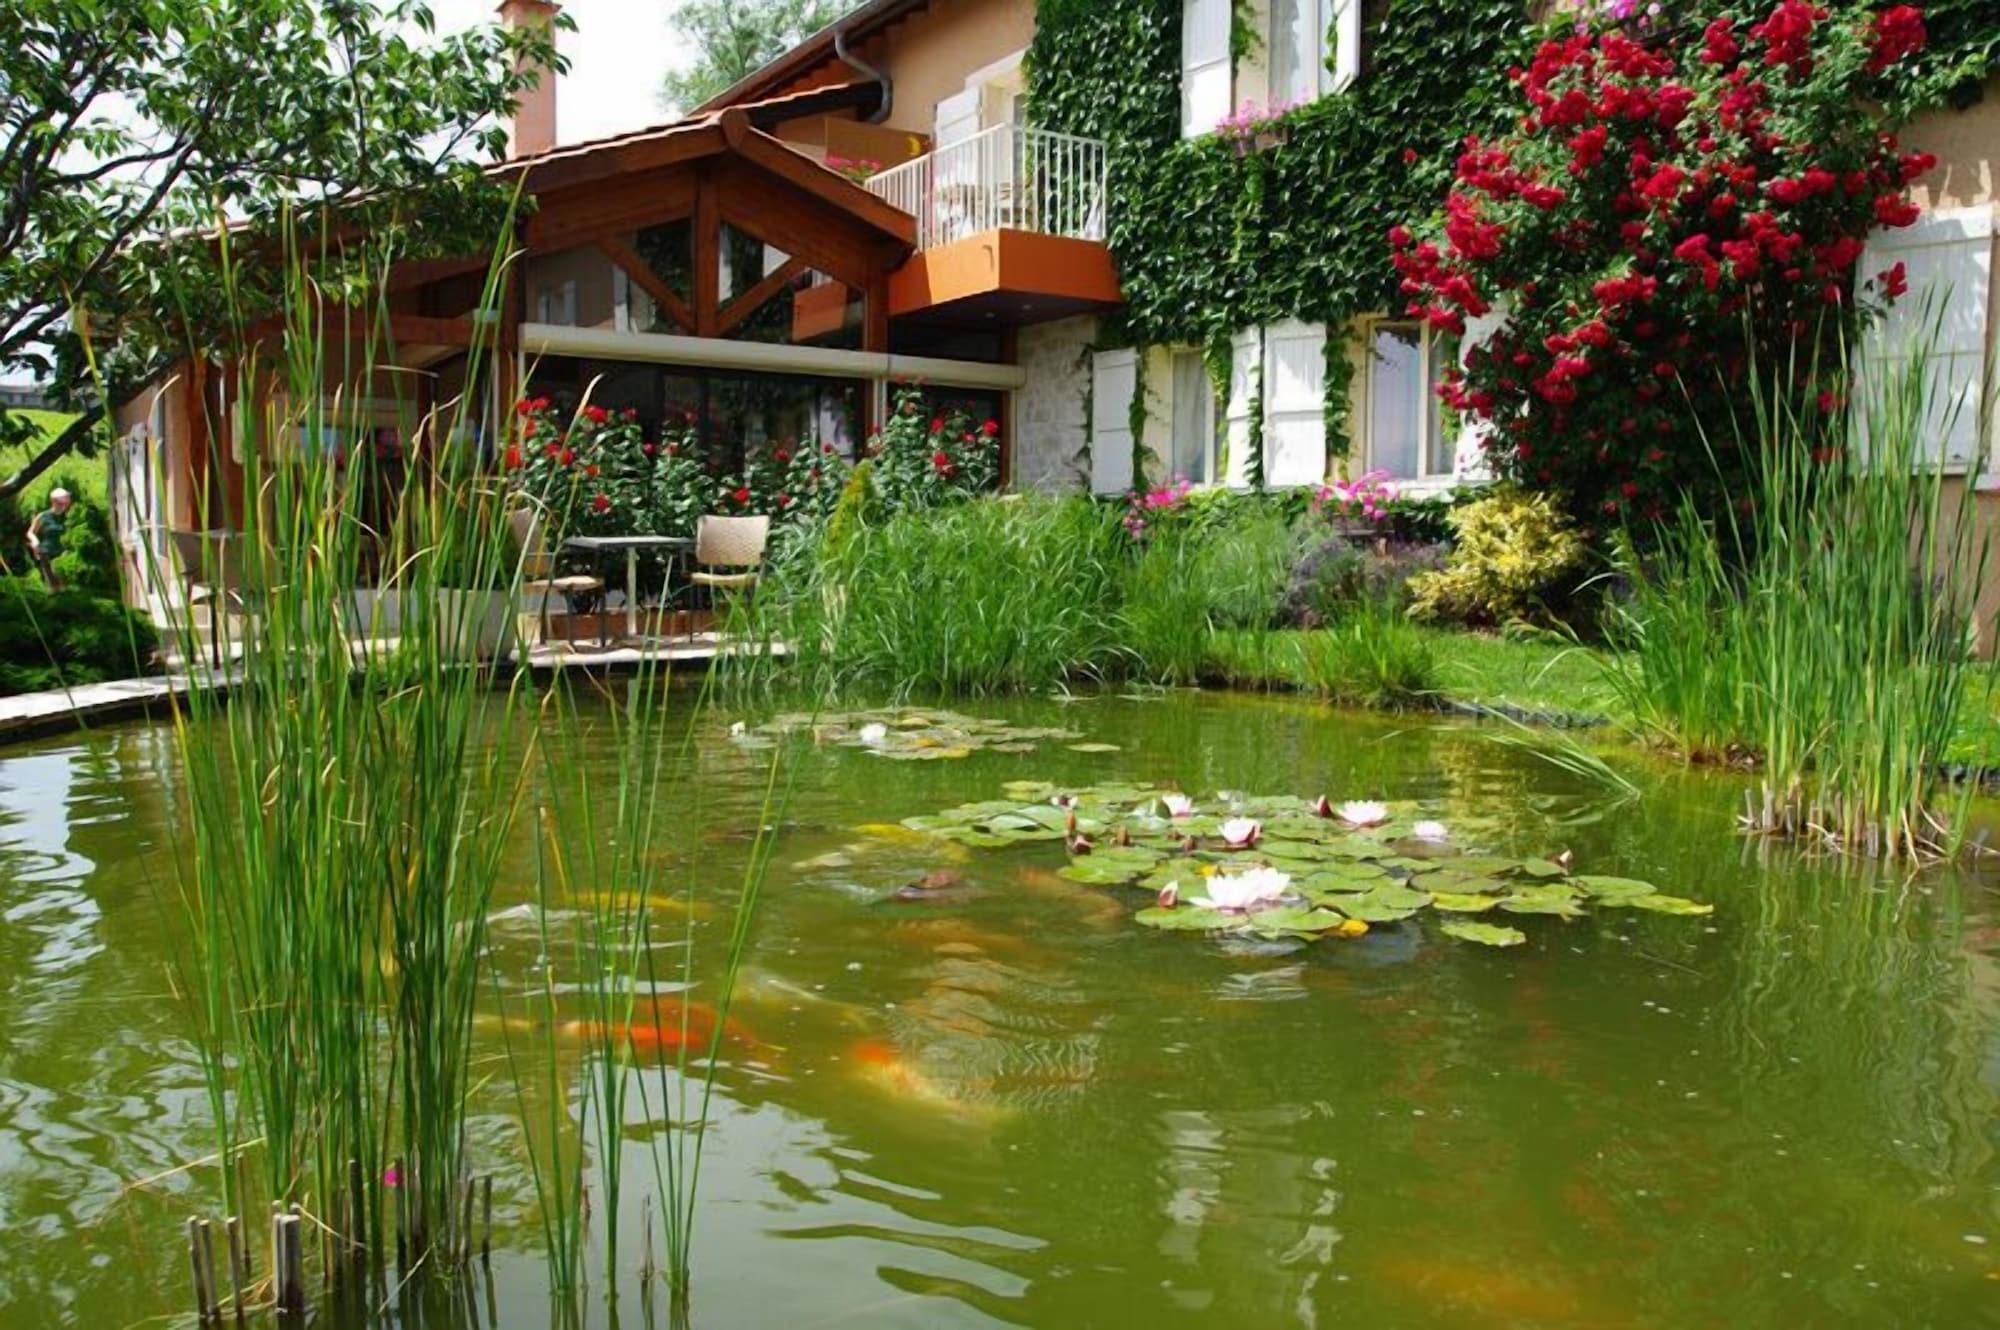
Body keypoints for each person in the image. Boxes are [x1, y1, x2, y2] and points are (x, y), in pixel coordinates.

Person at [25, 488, 72, 590]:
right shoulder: (43, 516)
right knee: (54, 586)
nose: (64, 505)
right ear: (54, 502)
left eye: (66, 502)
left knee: (66, 585)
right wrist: (35, 541)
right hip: (47, 553)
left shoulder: (70, 516)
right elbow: (30, 532)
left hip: (64, 554)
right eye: (61, 502)